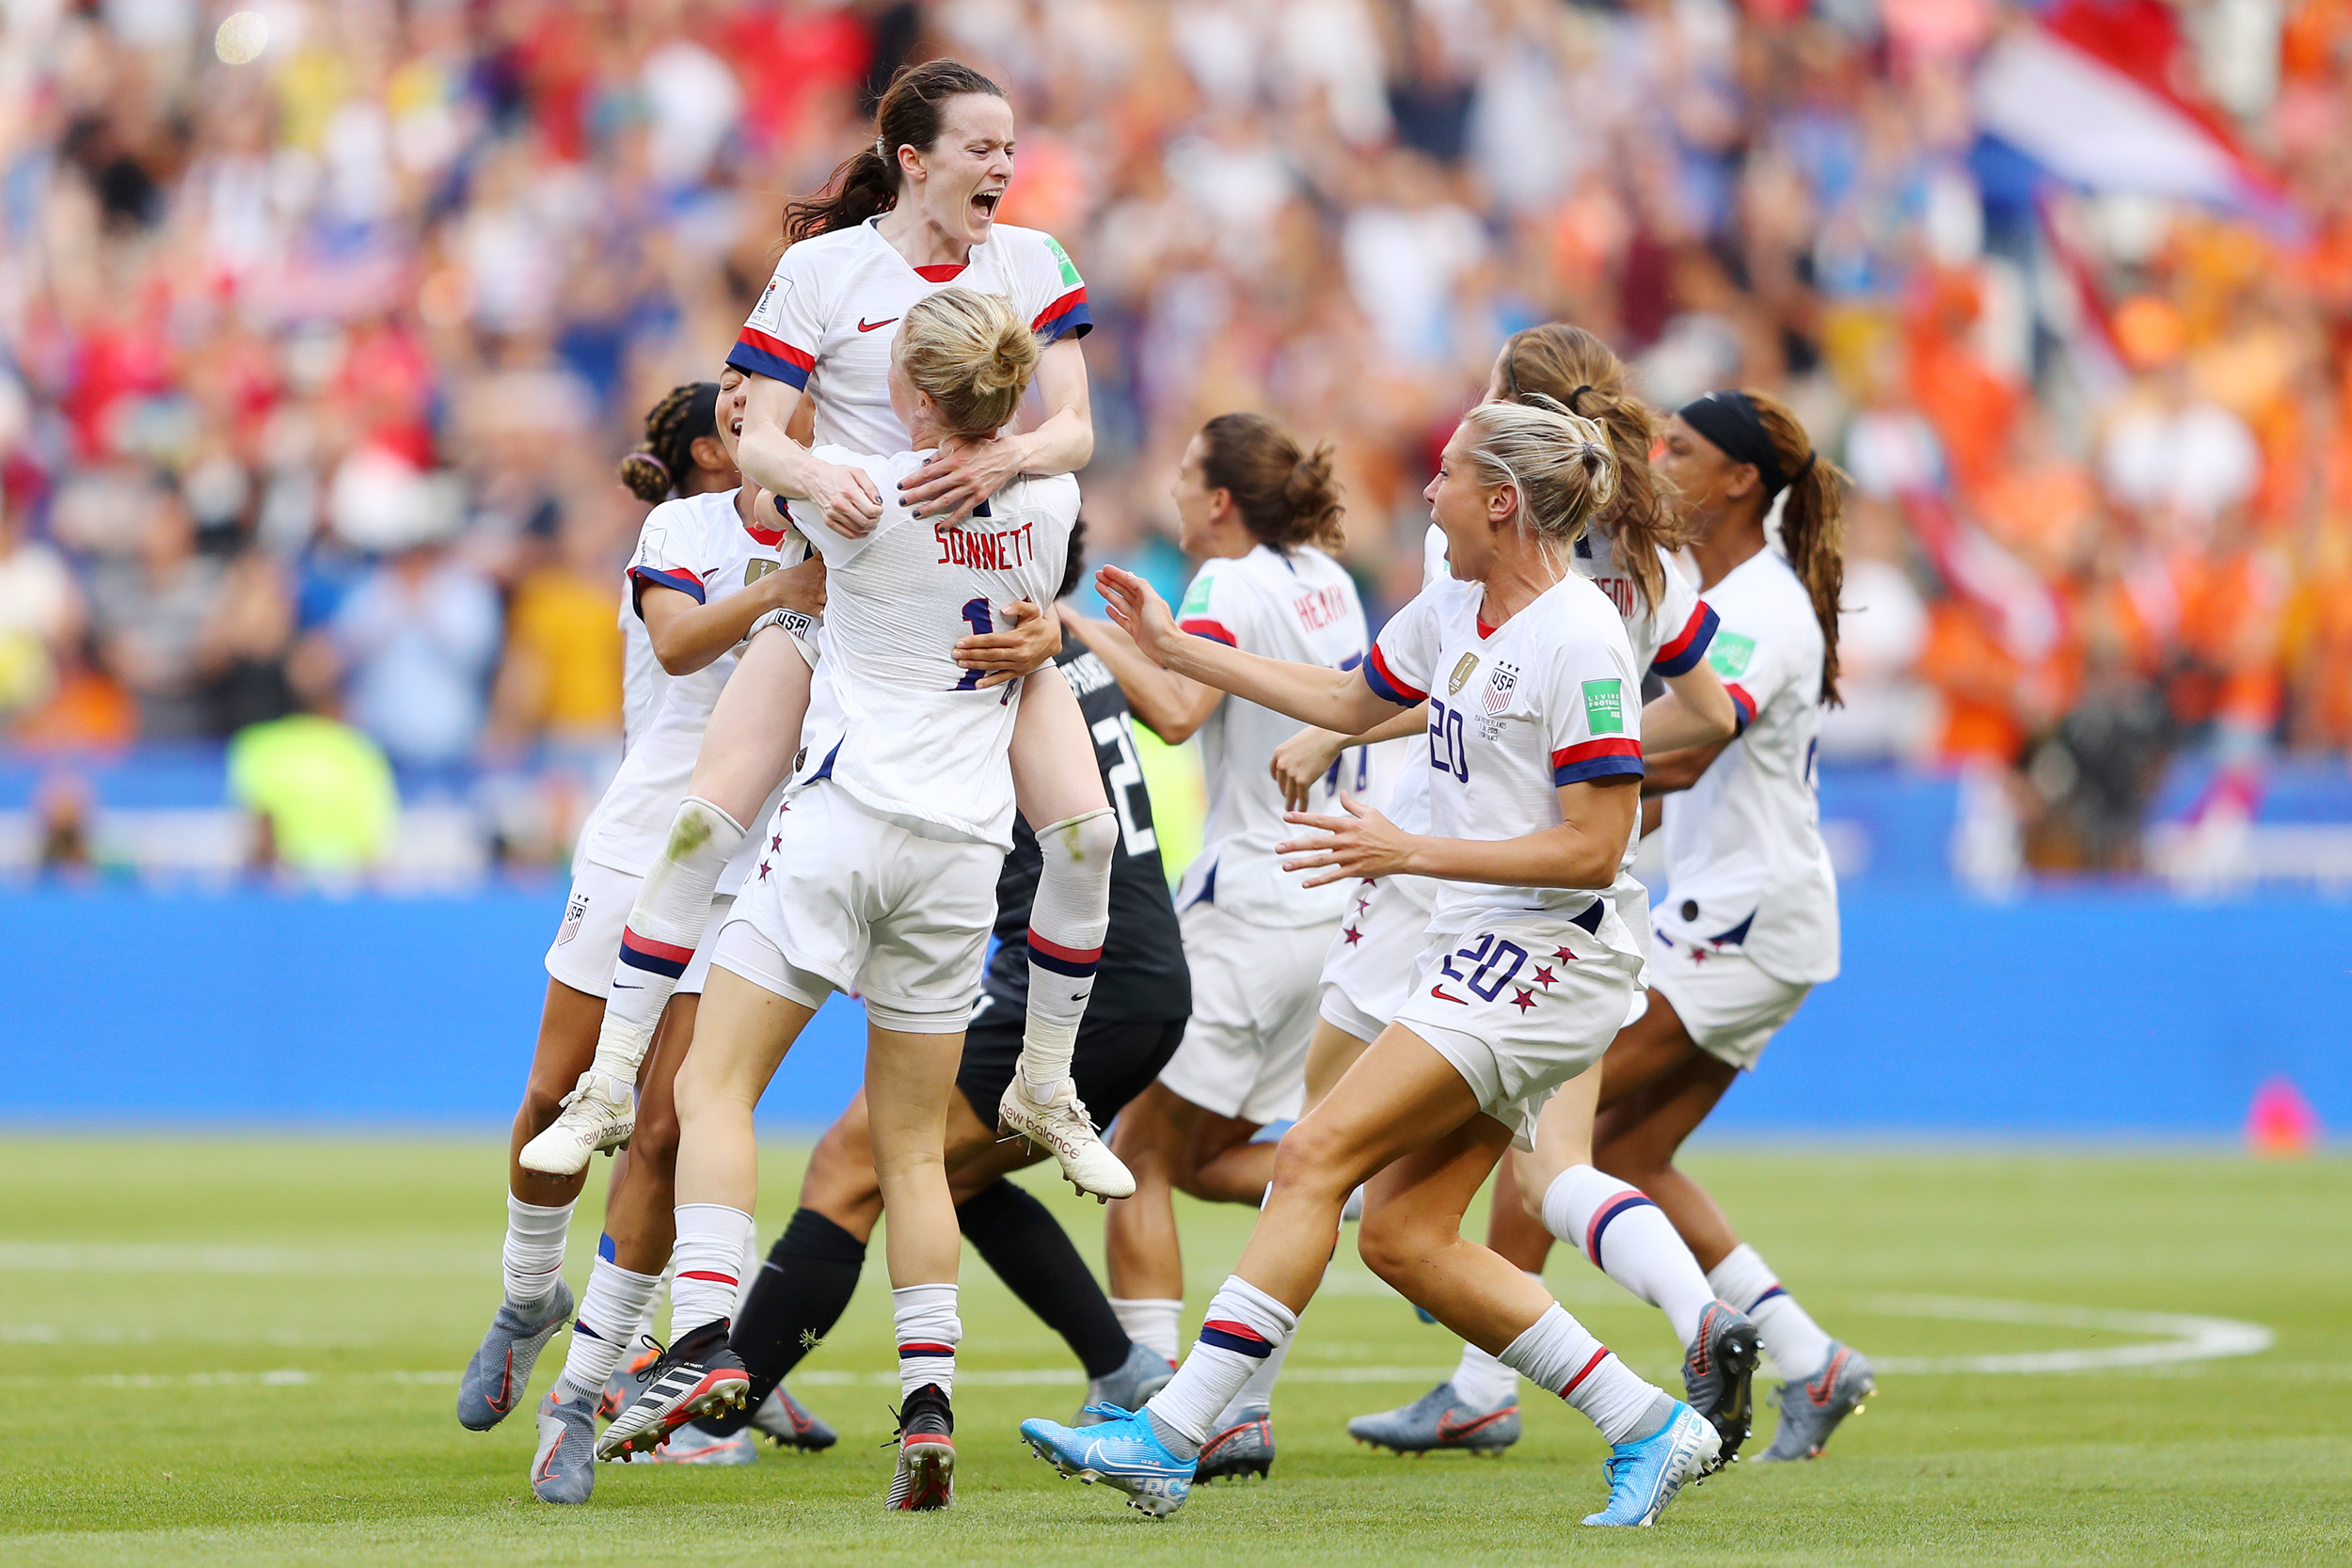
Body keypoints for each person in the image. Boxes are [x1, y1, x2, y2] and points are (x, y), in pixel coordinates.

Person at [1020, 397, 1721, 1529]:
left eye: (1445, 475)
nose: (1427, 492)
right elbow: (1348, 701)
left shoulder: (1580, 635)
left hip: (1550, 956)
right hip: (1484, 946)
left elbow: (1596, 846)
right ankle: (1652, 1420)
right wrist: (1171, 645)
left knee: (1311, 1153)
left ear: (1501, 500)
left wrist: (1409, 846)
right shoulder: (1453, 604)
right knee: (1400, 1235)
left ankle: (1171, 1433)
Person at [520, 59, 1128, 1200]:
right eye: (982, 147)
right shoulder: (821, 271)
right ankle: (608, 1081)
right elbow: (755, 437)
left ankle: (1046, 1080)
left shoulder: (1034, 260)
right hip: (847, 590)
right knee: (703, 823)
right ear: (914, 159)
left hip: (986, 603)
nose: (1005, 165)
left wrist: (1005, 454)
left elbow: (1078, 430)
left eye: (1010, 146)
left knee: (1088, 840)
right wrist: (812, 475)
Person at [595, 289, 1075, 1515]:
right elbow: (1044, 521)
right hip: (963, 855)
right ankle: (927, 1402)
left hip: (845, 824)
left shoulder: (858, 488)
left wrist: (769, 404)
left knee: (711, 1083)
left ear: (912, 391)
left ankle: (705, 1331)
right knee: (913, 1149)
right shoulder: (1050, 502)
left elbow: (758, 464)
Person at [660, 521, 1192, 1463]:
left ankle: (717, 1407)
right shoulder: (1050, 645)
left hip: (1071, 977)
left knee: (858, 1164)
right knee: (944, 1169)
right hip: (1141, 972)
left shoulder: (976, 646)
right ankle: (1118, 1363)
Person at [1331, 327, 1758, 1460]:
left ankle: (1217, 1399)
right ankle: (1548, 1360)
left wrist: (1586, 790)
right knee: (1534, 1165)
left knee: (1343, 1149)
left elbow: (1440, 685)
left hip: (1470, 878)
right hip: (1567, 892)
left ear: (1507, 459)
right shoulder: (1642, 551)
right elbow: (1714, 715)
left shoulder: (1479, 546)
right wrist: (1610, 774)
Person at [453, 379, 822, 1465]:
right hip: (641, 843)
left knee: (665, 1127)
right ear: (727, 444)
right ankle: (528, 1290)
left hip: (748, 866)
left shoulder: (846, 533)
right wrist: (790, 588)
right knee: (556, 1091)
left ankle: (583, 1389)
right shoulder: (681, 525)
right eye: (759, 413)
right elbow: (675, 644)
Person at [1057, 411, 1364, 1482]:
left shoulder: (1227, 583)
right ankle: (1372, 1201)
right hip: (1326, 908)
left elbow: (1182, 710)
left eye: (1188, 475)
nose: (1176, 493)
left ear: (1223, 499)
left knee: (1133, 1153)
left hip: (1251, 905)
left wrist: (1076, 630)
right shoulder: (1327, 577)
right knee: (1202, 1158)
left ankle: (1147, 1389)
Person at [1593, 388, 1870, 1461]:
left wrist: (1561, 750)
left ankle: (1483, 1374)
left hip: (1743, 917)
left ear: (1740, 479)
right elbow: (1676, 775)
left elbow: (1697, 741)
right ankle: (1811, 1357)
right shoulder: (1737, 590)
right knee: (1622, 1149)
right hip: (1744, 908)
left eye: (1684, 448)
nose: (1660, 459)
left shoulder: (1758, 602)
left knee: (1551, 1114)